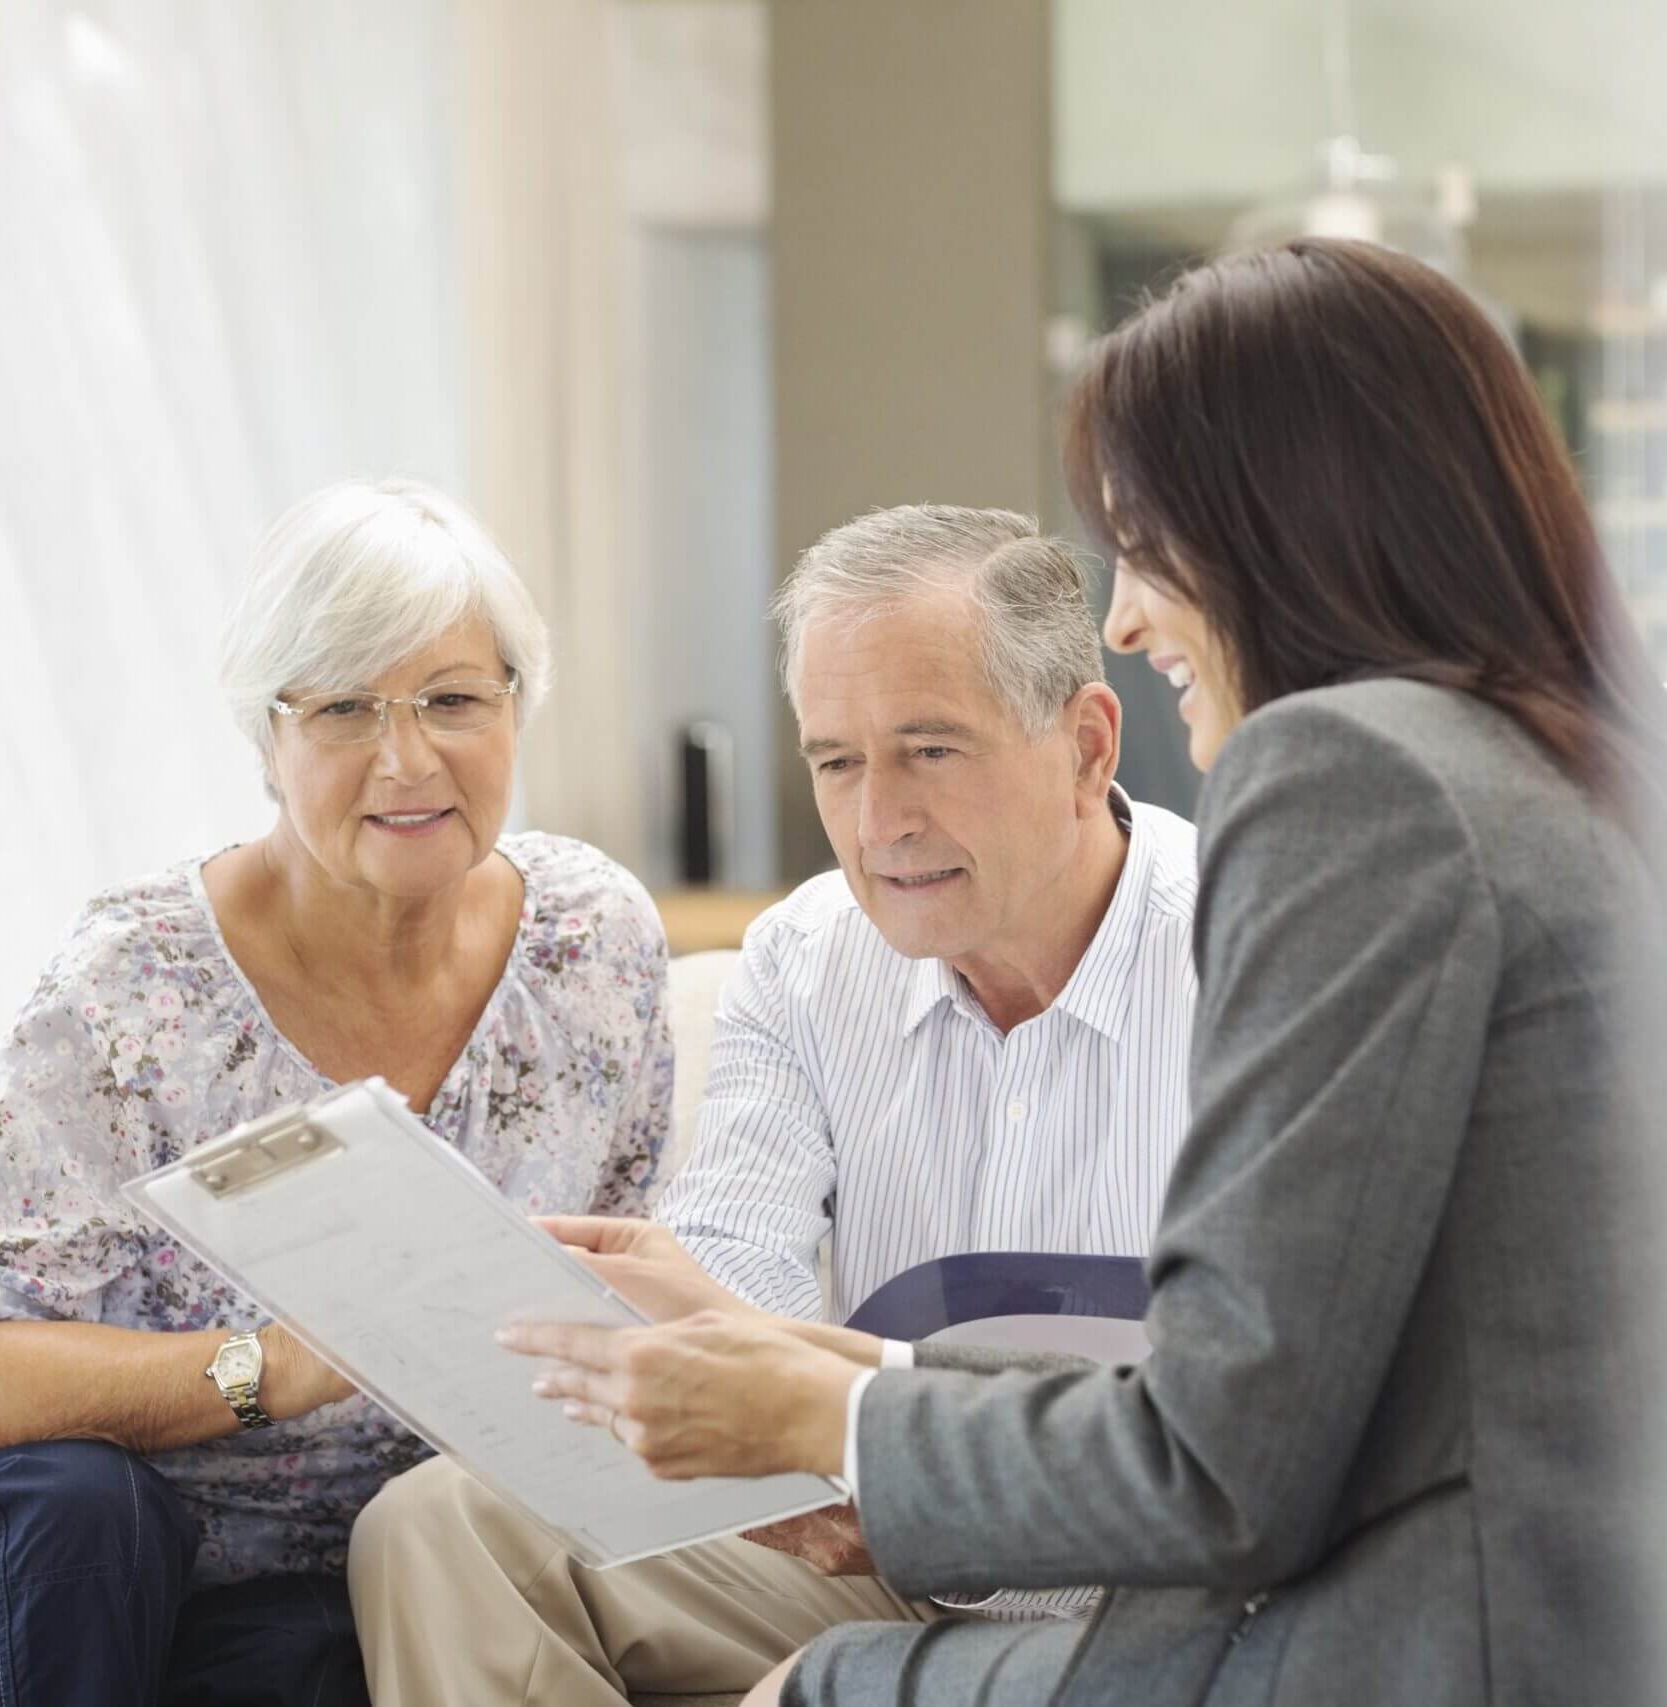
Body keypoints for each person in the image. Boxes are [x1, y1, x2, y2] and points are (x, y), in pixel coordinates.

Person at [503, 238, 1667, 1707]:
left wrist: (839, 1412)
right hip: (1507, 1618)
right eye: (839, 762)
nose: (1122, 611)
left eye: (1145, 537)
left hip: (1401, 1642)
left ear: (1282, 519)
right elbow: (1294, 1386)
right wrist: (843, 1394)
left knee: (815, 1683)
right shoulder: (1556, 772)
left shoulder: (1351, 780)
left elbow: (1222, 1456)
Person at [347, 505, 1202, 1703]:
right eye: (837, 760)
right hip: (886, 1546)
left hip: (1163, 1580)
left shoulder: (1255, 955)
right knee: (443, 1523)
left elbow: (1244, 1429)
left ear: (1088, 745)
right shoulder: (805, 958)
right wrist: (692, 1339)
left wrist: (855, 1419)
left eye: (931, 750)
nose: (876, 824)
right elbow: (734, 1277)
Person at [0, 478, 673, 1706]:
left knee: (343, 1642)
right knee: (77, 1517)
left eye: (453, 699)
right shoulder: (132, 987)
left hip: (408, 1561)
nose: (406, 759)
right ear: (267, 738)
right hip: (123, 1556)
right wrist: (267, 1367)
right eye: (344, 708)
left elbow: (630, 1287)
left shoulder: (591, 944)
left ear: (517, 710)